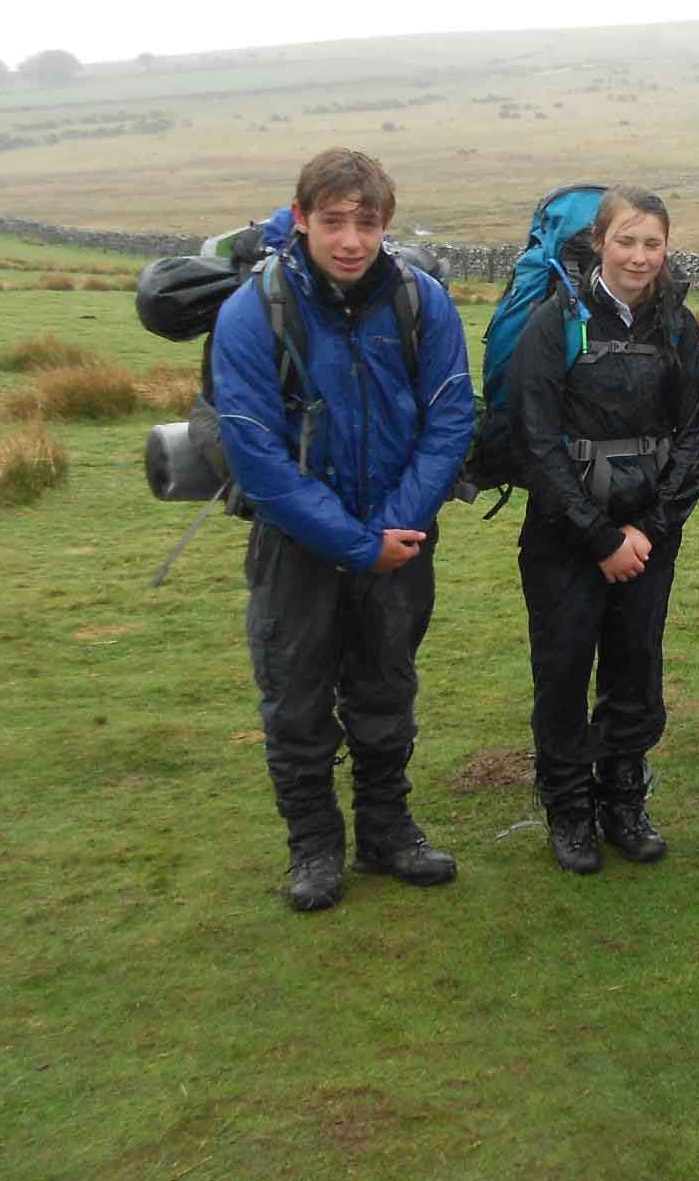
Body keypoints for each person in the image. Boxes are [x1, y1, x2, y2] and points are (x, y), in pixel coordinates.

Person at [212, 147, 475, 911]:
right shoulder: (252, 311)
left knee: (386, 691)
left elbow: (453, 412)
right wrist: (358, 543)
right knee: (296, 702)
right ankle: (315, 850)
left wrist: (397, 526)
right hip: (296, 547)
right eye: (333, 222)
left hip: (401, 541)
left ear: (386, 223)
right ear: (301, 220)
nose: (351, 240)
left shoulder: (421, 301)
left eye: (366, 222)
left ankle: (389, 833)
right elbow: (252, 448)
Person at [510, 186, 699, 873]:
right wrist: (599, 538)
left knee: (635, 668)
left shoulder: (680, 329)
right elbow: (536, 442)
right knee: (563, 671)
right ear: (599, 243)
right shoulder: (552, 324)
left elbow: (692, 437)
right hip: (564, 541)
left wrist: (649, 531)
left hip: (649, 539)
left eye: (652, 243)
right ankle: (569, 810)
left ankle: (624, 799)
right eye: (626, 240)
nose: (639, 255)